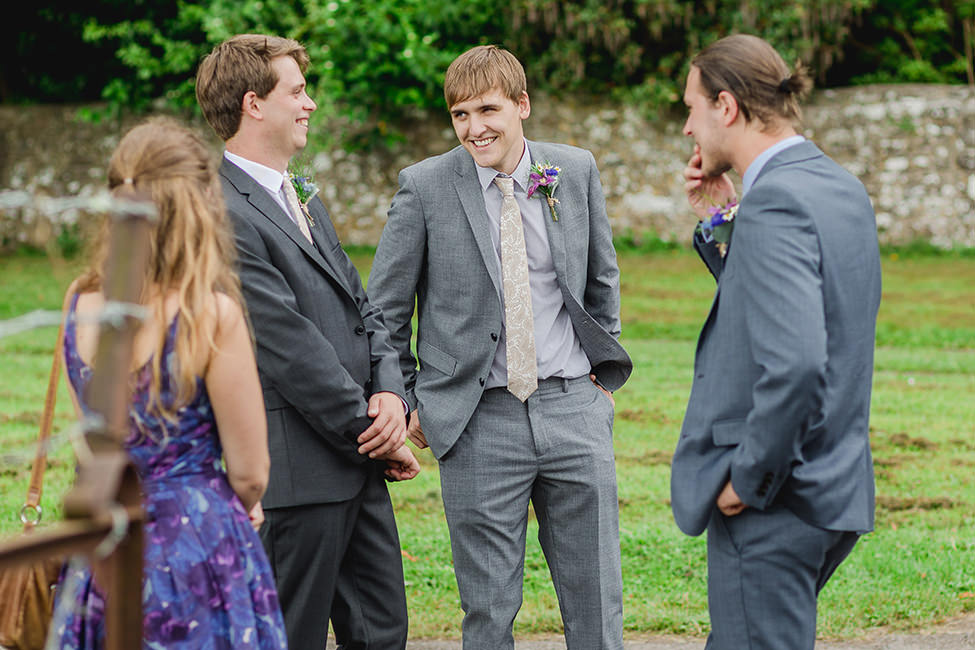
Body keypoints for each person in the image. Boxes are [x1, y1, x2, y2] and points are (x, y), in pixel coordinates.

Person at [368, 45, 633, 649]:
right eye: (460, 115)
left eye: (487, 110)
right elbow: (383, 309)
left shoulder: (574, 169)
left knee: (597, 604)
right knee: (487, 612)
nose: (474, 128)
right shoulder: (425, 186)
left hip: (574, 409)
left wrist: (598, 379)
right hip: (477, 420)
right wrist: (412, 399)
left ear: (522, 105)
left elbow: (602, 278)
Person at [194, 34, 419, 650]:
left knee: (382, 635)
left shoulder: (298, 195)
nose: (311, 103)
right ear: (252, 104)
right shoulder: (221, 209)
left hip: (359, 467)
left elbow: (361, 307)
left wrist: (394, 401)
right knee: (289, 638)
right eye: (297, 91)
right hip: (296, 474)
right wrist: (368, 429)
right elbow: (284, 342)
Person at [670, 34, 881, 650]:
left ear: (727, 106)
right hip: (833, 484)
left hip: (776, 500)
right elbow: (791, 310)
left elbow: (796, 362)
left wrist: (747, 480)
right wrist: (724, 217)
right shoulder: (838, 186)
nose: (687, 127)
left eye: (691, 107)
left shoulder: (778, 200)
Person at [53, 117, 288, 649]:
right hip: (195, 544)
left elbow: (93, 436)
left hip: (106, 539)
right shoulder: (210, 315)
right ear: (202, 199)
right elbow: (251, 473)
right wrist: (239, 501)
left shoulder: (80, 302)